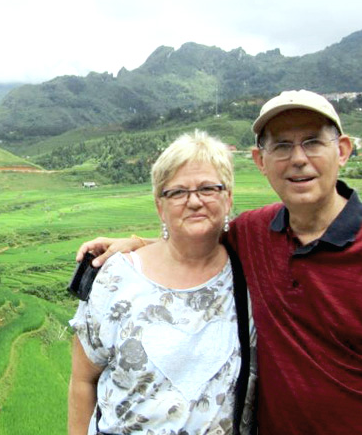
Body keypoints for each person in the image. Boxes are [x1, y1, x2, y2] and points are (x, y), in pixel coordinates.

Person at [77, 90, 362, 434]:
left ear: (342, 151)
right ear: (261, 161)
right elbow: (193, 237)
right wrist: (135, 243)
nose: (298, 159)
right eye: (283, 146)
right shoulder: (256, 234)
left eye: (312, 142)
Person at [68, 130, 256, 435]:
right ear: (160, 206)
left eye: (208, 188)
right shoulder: (115, 278)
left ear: (229, 197)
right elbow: (82, 380)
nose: (194, 201)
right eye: (178, 192)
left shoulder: (252, 273)